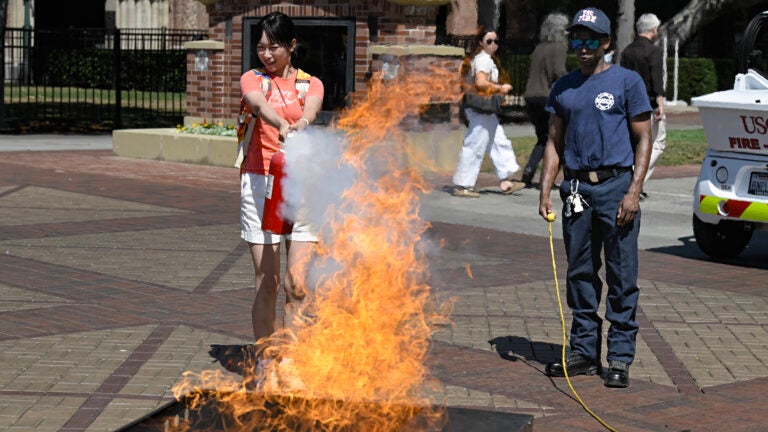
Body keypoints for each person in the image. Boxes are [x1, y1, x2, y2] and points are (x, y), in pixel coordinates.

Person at [537, 7, 652, 388]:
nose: (581, 47)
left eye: (590, 40)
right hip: (575, 189)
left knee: (622, 274)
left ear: (605, 43)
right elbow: (553, 141)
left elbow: (644, 139)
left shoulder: (627, 82)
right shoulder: (564, 87)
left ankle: (618, 357)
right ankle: (584, 352)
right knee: (581, 272)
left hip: (615, 186)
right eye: (576, 39)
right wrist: (545, 188)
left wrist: (633, 191)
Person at [238, 11, 324, 372]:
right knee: (268, 281)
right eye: (260, 47)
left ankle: (294, 362)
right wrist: (282, 124)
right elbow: (257, 104)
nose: (266, 55)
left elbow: (313, 109)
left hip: (301, 182)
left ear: (291, 46)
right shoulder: (252, 78)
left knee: (297, 282)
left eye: (274, 47)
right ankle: (265, 362)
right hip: (259, 181)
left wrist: (302, 122)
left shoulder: (310, 83)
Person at [452, 28, 525, 198]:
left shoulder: (484, 59)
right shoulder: (483, 59)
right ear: (480, 43)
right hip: (480, 110)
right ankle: (463, 184)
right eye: (489, 41)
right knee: (475, 144)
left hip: (483, 109)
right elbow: (481, 82)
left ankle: (506, 180)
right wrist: (501, 87)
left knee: (498, 141)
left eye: (496, 41)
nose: (493, 45)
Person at [621, 13, 665, 200]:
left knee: (635, 143)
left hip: (630, 102)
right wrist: (660, 103)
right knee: (657, 142)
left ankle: (632, 177)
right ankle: (638, 178)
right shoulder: (653, 51)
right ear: (654, 30)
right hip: (649, 102)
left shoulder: (627, 51)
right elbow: (656, 78)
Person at [521, 12, 569, 187]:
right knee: (558, 138)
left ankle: (529, 170)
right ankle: (551, 176)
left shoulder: (538, 48)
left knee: (543, 137)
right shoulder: (559, 48)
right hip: (546, 97)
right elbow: (559, 72)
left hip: (531, 97)